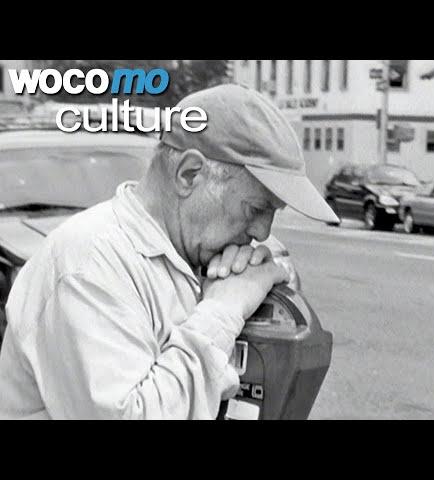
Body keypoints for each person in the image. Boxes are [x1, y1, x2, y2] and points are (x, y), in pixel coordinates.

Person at [0, 84, 339, 419]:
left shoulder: (189, 258)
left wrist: (254, 302)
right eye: (255, 209)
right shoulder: (88, 263)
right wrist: (223, 309)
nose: (263, 232)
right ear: (189, 174)